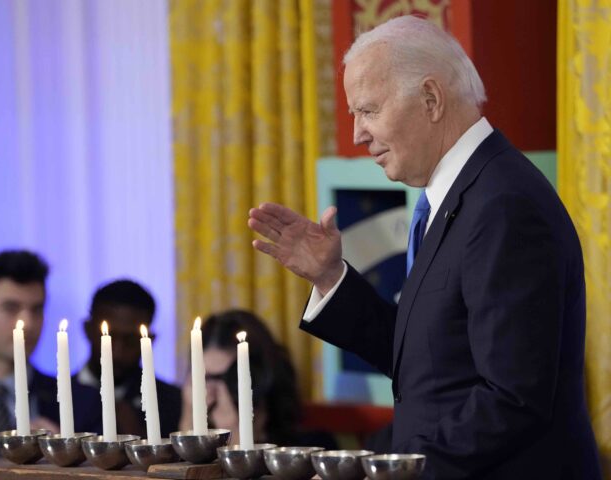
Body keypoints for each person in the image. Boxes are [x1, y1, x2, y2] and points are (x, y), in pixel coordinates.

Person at [247, 15, 601, 479]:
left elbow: (512, 397)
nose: (357, 134)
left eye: (369, 110)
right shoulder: (461, 194)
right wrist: (331, 278)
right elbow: (433, 359)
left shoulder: (504, 205)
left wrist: (398, 472)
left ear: (431, 99)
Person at [0, 250, 102, 464]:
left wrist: (64, 455)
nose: (28, 324)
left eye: (37, 309)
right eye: (10, 308)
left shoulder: (81, 402)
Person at [179, 309, 337, 449]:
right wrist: (189, 432)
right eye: (205, 379)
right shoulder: (175, 420)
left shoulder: (311, 447)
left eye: (230, 378)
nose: (214, 392)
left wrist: (236, 439)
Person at [79, 279, 181, 439]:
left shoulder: (173, 403)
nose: (118, 352)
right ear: (87, 330)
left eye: (131, 340)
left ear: (150, 340)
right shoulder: (49, 397)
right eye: (108, 338)